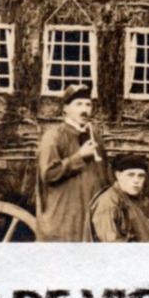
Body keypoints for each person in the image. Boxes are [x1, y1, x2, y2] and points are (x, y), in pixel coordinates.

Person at [34, 84, 110, 242]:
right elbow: (48, 174)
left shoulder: (94, 136)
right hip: (64, 218)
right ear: (65, 109)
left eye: (88, 104)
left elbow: (105, 173)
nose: (84, 109)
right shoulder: (54, 136)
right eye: (78, 104)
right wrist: (79, 157)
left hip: (91, 214)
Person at [88, 155, 149, 243]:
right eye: (131, 175)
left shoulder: (136, 199)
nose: (136, 180)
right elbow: (112, 245)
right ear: (118, 175)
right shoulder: (110, 203)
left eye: (141, 176)